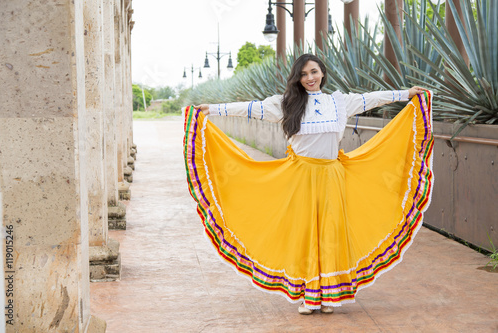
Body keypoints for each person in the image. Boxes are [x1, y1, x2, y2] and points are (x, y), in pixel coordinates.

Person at [185, 53, 433, 315]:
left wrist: (406, 93)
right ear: (297, 78)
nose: (309, 78)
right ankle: (307, 295)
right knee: (304, 234)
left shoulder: (339, 102)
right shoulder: (286, 104)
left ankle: (328, 295)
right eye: (303, 74)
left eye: (313, 72)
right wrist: (212, 109)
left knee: (330, 233)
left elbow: (370, 98)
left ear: (322, 73)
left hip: (332, 175)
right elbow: (251, 108)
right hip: (301, 176)